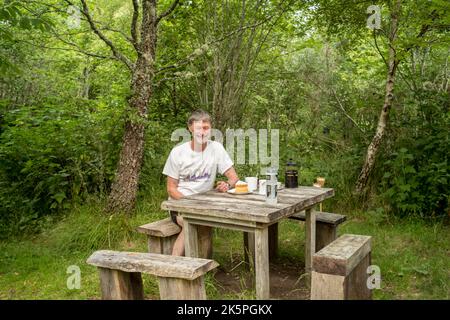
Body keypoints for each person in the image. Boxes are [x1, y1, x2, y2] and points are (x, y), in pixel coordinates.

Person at [162, 109, 239, 256]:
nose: (202, 132)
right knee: (192, 223)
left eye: (206, 128)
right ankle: (174, 266)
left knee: (204, 223)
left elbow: (234, 177)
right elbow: (171, 189)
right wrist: (191, 204)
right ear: (190, 128)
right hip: (180, 205)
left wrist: (227, 185)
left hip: (206, 206)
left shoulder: (216, 148)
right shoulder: (178, 152)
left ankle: (202, 266)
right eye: (198, 128)